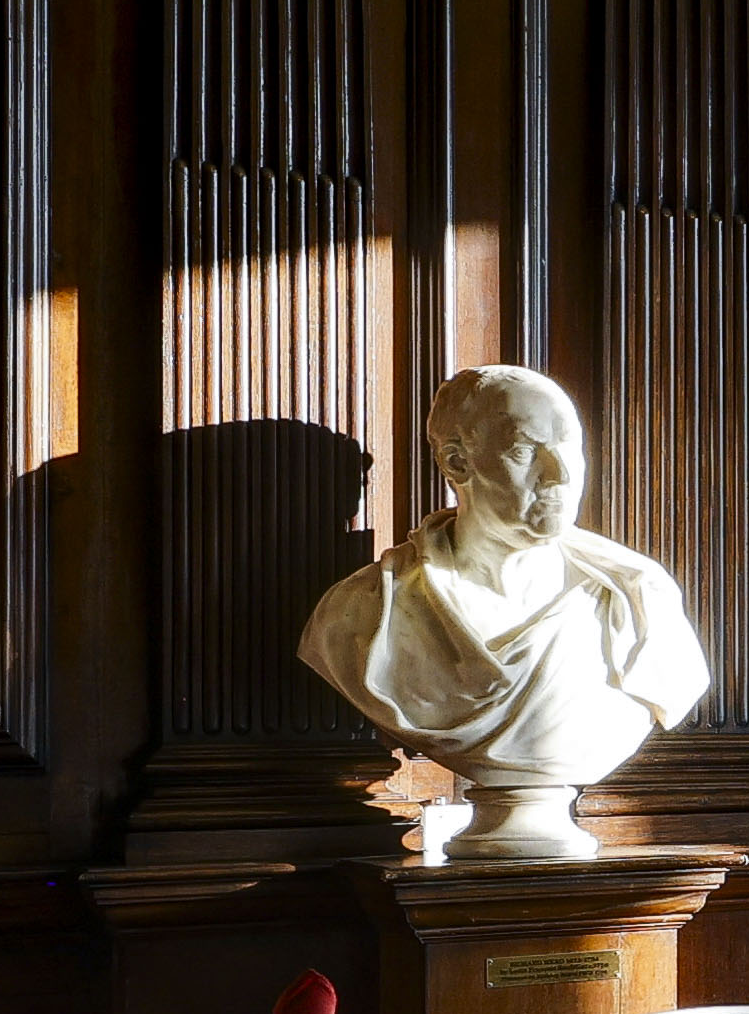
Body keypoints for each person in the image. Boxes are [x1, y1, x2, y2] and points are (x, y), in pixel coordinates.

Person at [298, 365, 712, 860]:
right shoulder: (362, 614)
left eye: (570, 445)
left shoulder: (639, 602)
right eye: (524, 451)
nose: (559, 474)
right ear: (457, 463)